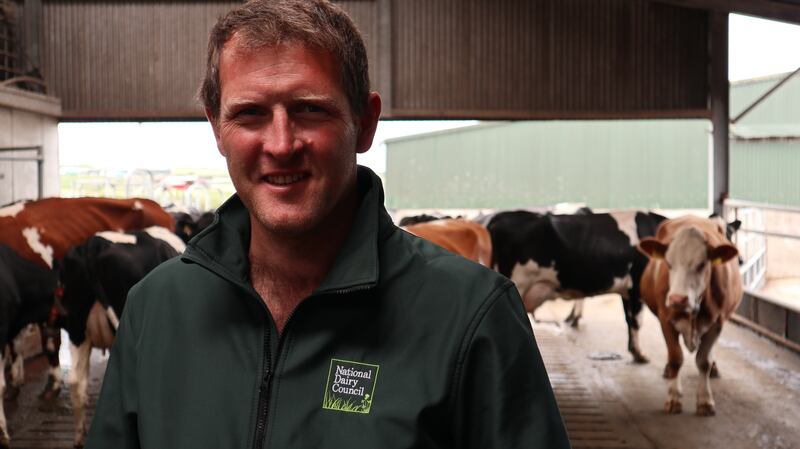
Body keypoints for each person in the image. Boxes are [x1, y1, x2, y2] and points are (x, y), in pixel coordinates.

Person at [86, 1, 570, 448]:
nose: (281, 144)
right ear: (217, 128)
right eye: (250, 114)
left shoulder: (472, 317)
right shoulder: (155, 309)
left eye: (309, 109)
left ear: (365, 123)